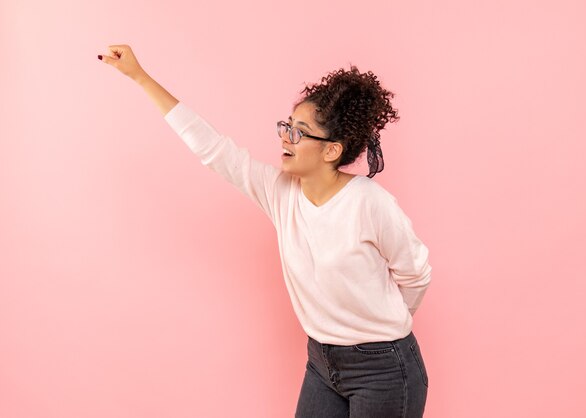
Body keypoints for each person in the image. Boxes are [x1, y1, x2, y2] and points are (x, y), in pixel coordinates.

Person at [98, 44, 432, 418]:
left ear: (331, 151)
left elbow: (415, 273)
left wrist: (383, 329)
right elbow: (214, 150)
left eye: (299, 132)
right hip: (321, 362)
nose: (286, 137)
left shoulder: (369, 203)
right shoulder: (280, 192)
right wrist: (140, 77)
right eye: (287, 126)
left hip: (382, 369)